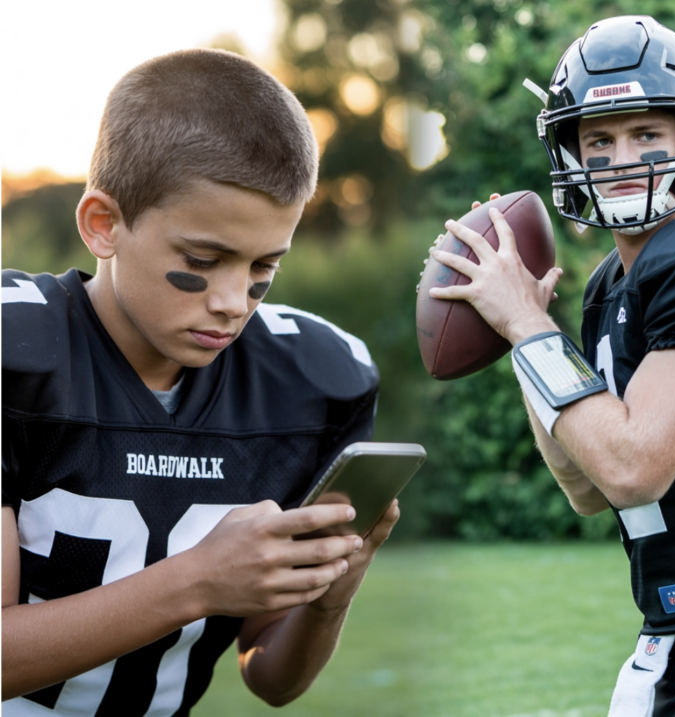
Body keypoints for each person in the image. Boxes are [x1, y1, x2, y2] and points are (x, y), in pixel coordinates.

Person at [1, 49, 399, 715]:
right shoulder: (19, 355)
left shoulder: (313, 378)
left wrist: (332, 591)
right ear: (105, 224)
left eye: (264, 265)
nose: (234, 300)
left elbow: (270, 674)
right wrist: (197, 581)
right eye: (203, 260)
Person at [428, 15, 675, 717]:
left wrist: (526, 325)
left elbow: (634, 466)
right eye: (600, 141)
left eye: (648, 135)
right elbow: (587, 484)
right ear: (570, 153)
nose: (624, 159)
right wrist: (525, 335)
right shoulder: (612, 287)